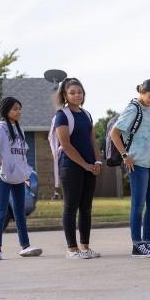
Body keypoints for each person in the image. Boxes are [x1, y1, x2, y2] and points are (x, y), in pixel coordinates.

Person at [109, 79, 150, 259]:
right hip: (137, 163)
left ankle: (147, 242)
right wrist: (125, 155)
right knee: (138, 205)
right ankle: (137, 245)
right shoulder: (133, 108)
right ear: (141, 91)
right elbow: (114, 133)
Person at [54, 77, 102, 259]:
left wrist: (97, 162)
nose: (77, 95)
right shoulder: (62, 115)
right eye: (72, 92)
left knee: (86, 208)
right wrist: (85, 165)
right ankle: (72, 249)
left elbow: (92, 140)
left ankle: (85, 247)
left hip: (89, 167)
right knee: (70, 207)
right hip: (71, 167)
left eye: (79, 92)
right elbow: (65, 145)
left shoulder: (87, 114)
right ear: (65, 95)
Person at [0, 97, 42, 261]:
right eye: (15, 108)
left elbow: (22, 155)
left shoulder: (19, 130)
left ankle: (25, 246)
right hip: (4, 176)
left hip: (19, 177)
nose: (18, 111)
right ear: (6, 110)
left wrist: (26, 174)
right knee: (0, 212)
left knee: (20, 213)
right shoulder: (0, 128)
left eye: (20, 108)